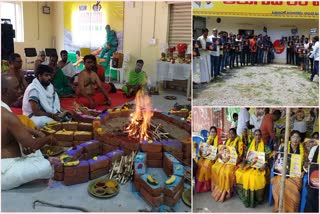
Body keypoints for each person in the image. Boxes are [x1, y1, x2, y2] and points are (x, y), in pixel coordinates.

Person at [2, 75, 57, 190]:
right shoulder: (7, 116)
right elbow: (31, 145)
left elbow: (15, 126)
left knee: (33, 150)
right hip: (5, 169)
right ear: (4, 91)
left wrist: (34, 133)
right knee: (45, 166)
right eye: (16, 88)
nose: (21, 90)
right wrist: (49, 139)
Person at [272, 130, 305, 212]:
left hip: (296, 176)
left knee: (294, 192)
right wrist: (275, 156)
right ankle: (281, 208)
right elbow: (278, 162)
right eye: (294, 137)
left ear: (300, 139)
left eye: (297, 137)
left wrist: (303, 172)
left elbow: (306, 165)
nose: (295, 139)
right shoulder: (284, 147)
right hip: (283, 174)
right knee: (279, 184)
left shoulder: (303, 150)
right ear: (290, 138)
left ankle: (290, 210)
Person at [235, 129, 267, 208]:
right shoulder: (250, 144)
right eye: (256, 135)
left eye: (259, 135)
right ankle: (245, 197)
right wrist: (243, 163)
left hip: (261, 167)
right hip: (250, 165)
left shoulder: (265, 146)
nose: (257, 137)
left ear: (261, 136)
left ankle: (256, 199)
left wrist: (264, 165)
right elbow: (246, 157)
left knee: (254, 177)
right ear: (253, 136)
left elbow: (267, 160)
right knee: (240, 172)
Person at [211, 128, 244, 202]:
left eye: (232, 133)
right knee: (214, 167)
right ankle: (217, 188)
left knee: (226, 172)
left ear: (235, 134)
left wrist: (235, 161)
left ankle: (226, 192)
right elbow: (222, 151)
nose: (231, 135)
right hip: (225, 161)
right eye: (229, 134)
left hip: (234, 162)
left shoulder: (239, 142)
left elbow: (241, 156)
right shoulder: (227, 141)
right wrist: (219, 155)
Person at [196, 126, 221, 192]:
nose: (213, 133)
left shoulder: (219, 140)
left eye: (214, 132)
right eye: (211, 132)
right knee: (199, 164)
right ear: (209, 133)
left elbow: (220, 151)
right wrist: (210, 142)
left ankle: (207, 186)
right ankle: (200, 185)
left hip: (214, 158)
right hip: (207, 157)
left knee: (205, 167)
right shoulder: (208, 140)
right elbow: (204, 150)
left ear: (216, 133)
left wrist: (216, 155)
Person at [304, 144, 319, 212]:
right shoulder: (315, 148)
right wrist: (308, 165)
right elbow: (309, 164)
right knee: (311, 194)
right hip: (315, 178)